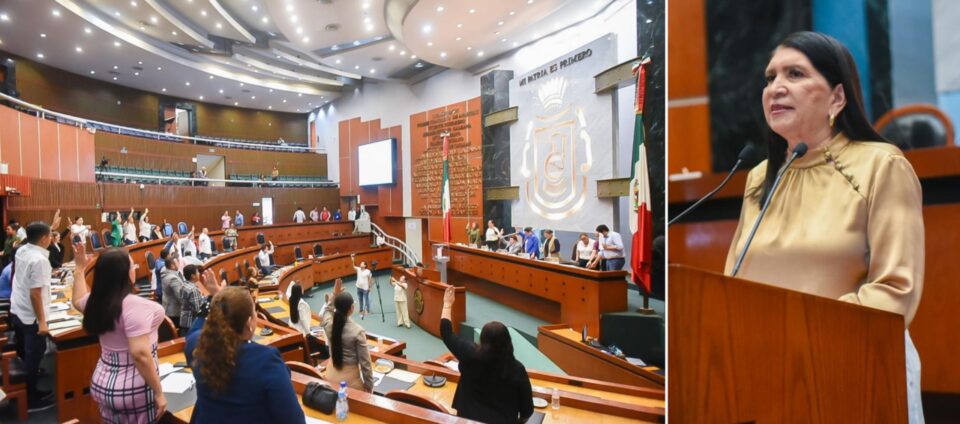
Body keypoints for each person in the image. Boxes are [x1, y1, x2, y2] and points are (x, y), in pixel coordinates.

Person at [726, 31, 924, 422]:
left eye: (795, 74)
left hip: (857, 366)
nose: (776, 88)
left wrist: (804, 336)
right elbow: (733, 281)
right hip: (769, 370)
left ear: (837, 97)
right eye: (770, 77)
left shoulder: (881, 165)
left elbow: (895, 290)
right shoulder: (760, 177)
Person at [70, 244, 167, 422]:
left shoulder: (96, 302)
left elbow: (77, 300)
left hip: (102, 381)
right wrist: (159, 392)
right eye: (132, 266)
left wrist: (79, 269)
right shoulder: (137, 307)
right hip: (133, 386)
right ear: (125, 274)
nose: (135, 269)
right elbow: (140, 354)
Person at [187, 286, 305, 423]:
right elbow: (294, 420)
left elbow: (194, 332)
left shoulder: (198, 346)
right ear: (249, 323)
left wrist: (216, 300)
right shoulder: (265, 360)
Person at [439, 286, 534, 422]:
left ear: (482, 340)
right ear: (508, 342)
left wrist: (447, 304)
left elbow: (446, 333)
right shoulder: (517, 370)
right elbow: (527, 412)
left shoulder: (469, 353)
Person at [10, 221, 55, 410]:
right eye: (50, 235)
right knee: (33, 356)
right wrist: (42, 322)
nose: (51, 238)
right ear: (44, 239)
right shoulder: (40, 260)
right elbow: (35, 294)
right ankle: (30, 399)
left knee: (26, 353)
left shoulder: (22, 250)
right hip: (31, 317)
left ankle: (29, 388)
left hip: (18, 310)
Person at [320, 278, 373, 392]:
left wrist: (334, 294)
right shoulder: (357, 331)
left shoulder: (329, 325)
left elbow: (327, 310)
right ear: (352, 308)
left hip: (329, 377)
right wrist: (369, 387)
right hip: (349, 384)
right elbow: (365, 364)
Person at [179, 264, 210, 334]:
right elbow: (198, 309)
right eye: (197, 272)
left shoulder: (183, 285)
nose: (199, 273)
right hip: (192, 322)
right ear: (193, 275)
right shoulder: (193, 289)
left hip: (184, 320)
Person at [161, 253, 186, 329]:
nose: (179, 264)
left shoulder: (166, 274)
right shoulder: (173, 278)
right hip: (175, 313)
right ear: (172, 266)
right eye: (177, 262)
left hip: (168, 309)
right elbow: (180, 297)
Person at [350, 254, 372, 318]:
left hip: (365, 288)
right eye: (360, 263)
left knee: (366, 299)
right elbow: (353, 266)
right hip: (359, 287)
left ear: (365, 265)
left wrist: (369, 287)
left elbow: (369, 280)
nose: (360, 264)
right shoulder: (358, 269)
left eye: (362, 263)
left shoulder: (368, 271)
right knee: (360, 299)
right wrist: (352, 260)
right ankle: (361, 309)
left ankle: (367, 310)